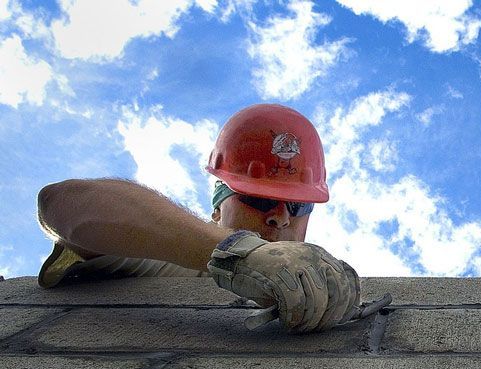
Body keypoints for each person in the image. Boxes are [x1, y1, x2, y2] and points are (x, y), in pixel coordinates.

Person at [36, 104, 360, 333]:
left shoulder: (319, 295)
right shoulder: (166, 259)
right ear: (218, 207)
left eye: (298, 206)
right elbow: (61, 203)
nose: (280, 218)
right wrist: (240, 253)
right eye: (258, 199)